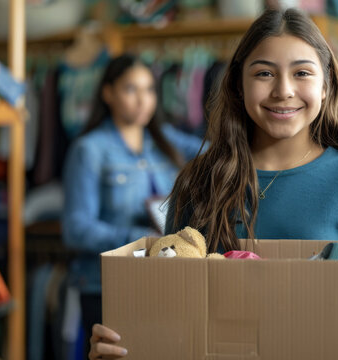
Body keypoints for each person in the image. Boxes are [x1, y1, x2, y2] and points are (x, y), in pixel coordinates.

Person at [88, 8, 338, 360]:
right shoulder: (198, 181)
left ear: (325, 86)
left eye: (302, 73)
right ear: (239, 84)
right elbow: (167, 301)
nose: (283, 90)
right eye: (264, 73)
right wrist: (123, 341)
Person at [61, 54, 204, 354]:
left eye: (149, 90)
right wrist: (139, 240)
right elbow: (75, 229)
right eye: (131, 90)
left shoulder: (162, 140)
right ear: (108, 93)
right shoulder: (89, 150)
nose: (143, 100)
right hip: (106, 286)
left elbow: (216, 154)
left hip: (161, 281)